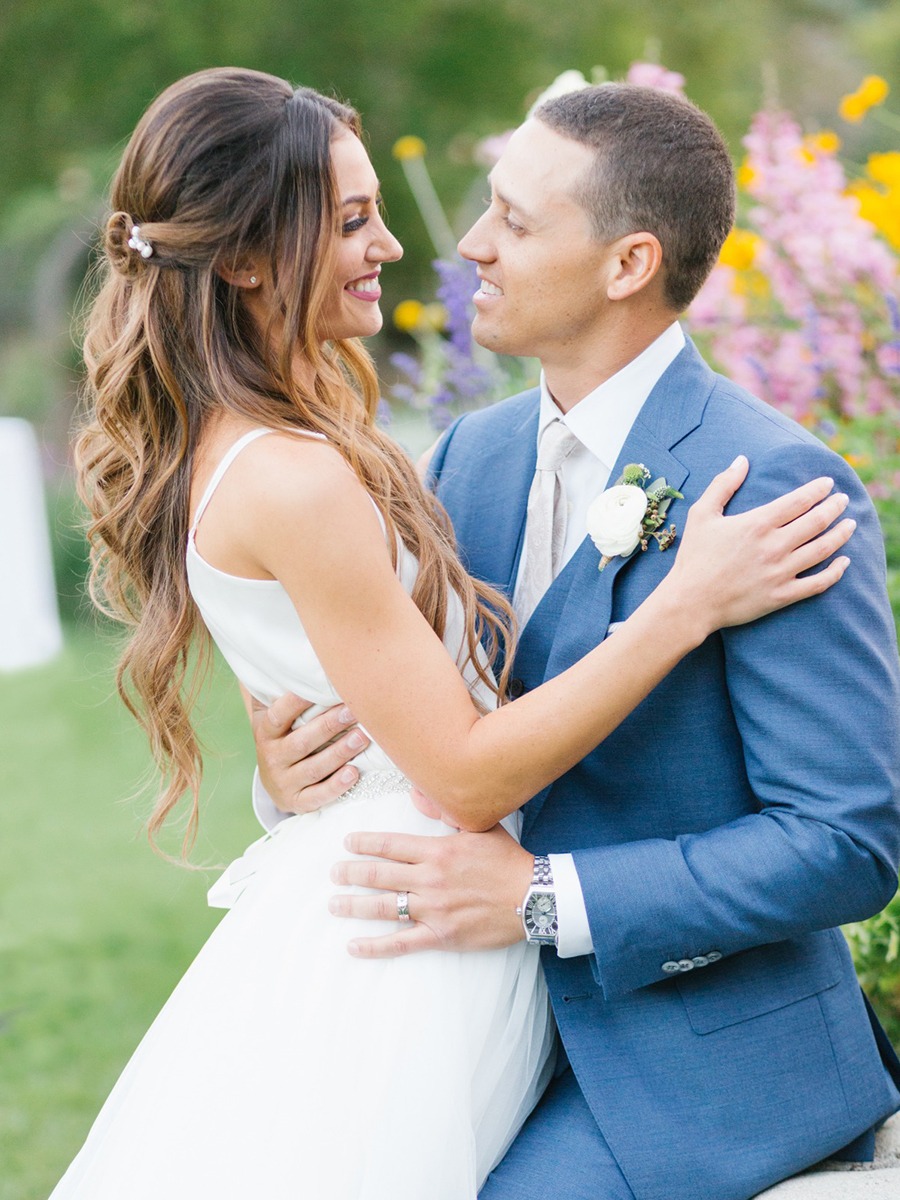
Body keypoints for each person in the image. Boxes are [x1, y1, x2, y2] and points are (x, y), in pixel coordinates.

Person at [54, 67, 855, 1200]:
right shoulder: (423, 464)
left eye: (512, 219)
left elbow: (846, 836)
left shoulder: (768, 480)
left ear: (629, 264)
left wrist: (327, 777)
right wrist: (680, 607)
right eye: (349, 219)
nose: (445, 244)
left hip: (673, 1047)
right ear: (242, 260)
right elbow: (453, 762)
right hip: (411, 961)